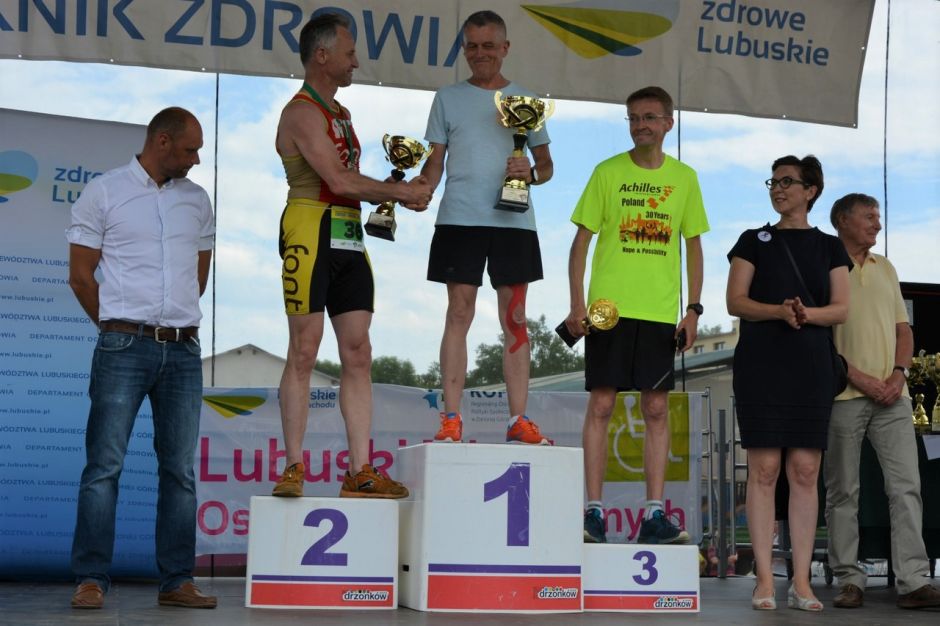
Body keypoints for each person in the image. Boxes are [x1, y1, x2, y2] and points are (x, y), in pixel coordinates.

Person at [271, 13, 431, 498]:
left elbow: (351, 181)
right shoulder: (300, 112)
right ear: (322, 56)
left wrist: (392, 189)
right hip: (310, 225)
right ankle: (293, 466)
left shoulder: (341, 112)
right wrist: (399, 193)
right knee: (305, 347)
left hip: (348, 231)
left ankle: (360, 470)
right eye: (349, 53)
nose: (356, 62)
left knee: (358, 351)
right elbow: (338, 180)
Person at [66, 107, 217, 609]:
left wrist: (171, 322)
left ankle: (177, 581)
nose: (197, 160)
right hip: (123, 346)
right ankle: (90, 578)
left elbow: (198, 276)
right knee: (104, 466)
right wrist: (116, 329)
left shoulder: (198, 200)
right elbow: (81, 277)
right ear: (162, 142)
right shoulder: (104, 191)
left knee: (179, 471)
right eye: (191, 149)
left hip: (184, 349)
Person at [567, 86, 708, 545]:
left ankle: (653, 515)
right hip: (607, 310)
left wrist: (693, 309)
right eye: (633, 118)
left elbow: (693, 247)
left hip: (659, 312)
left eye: (649, 117)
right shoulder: (607, 172)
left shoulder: (685, 178)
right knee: (602, 404)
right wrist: (576, 304)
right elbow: (580, 244)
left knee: (656, 408)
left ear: (668, 123)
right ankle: (593, 512)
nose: (640, 125)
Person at [419, 10, 554, 445]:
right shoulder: (447, 98)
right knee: (459, 313)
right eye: (472, 46)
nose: (480, 54)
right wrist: (418, 190)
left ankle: (518, 420)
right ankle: (451, 418)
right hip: (459, 219)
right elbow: (435, 162)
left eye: (489, 46)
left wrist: (530, 173)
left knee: (515, 317)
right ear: (464, 49)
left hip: (513, 221)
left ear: (505, 48)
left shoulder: (527, 100)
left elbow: (546, 166)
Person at [726, 155, 850, 612]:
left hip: (811, 367)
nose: (777, 189)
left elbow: (841, 309)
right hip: (761, 365)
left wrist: (804, 314)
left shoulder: (830, 247)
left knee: (805, 471)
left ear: (810, 191)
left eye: (787, 182)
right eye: (773, 182)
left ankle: (801, 581)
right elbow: (735, 301)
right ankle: (763, 579)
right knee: (763, 470)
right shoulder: (752, 240)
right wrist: (778, 311)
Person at [825, 193, 940, 610]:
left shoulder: (886, 267)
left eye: (878, 216)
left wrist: (899, 374)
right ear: (843, 220)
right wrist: (858, 377)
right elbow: (819, 337)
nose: (877, 223)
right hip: (843, 395)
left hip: (894, 396)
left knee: (907, 487)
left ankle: (913, 581)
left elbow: (903, 331)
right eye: (869, 216)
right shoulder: (824, 266)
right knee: (843, 491)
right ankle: (848, 579)